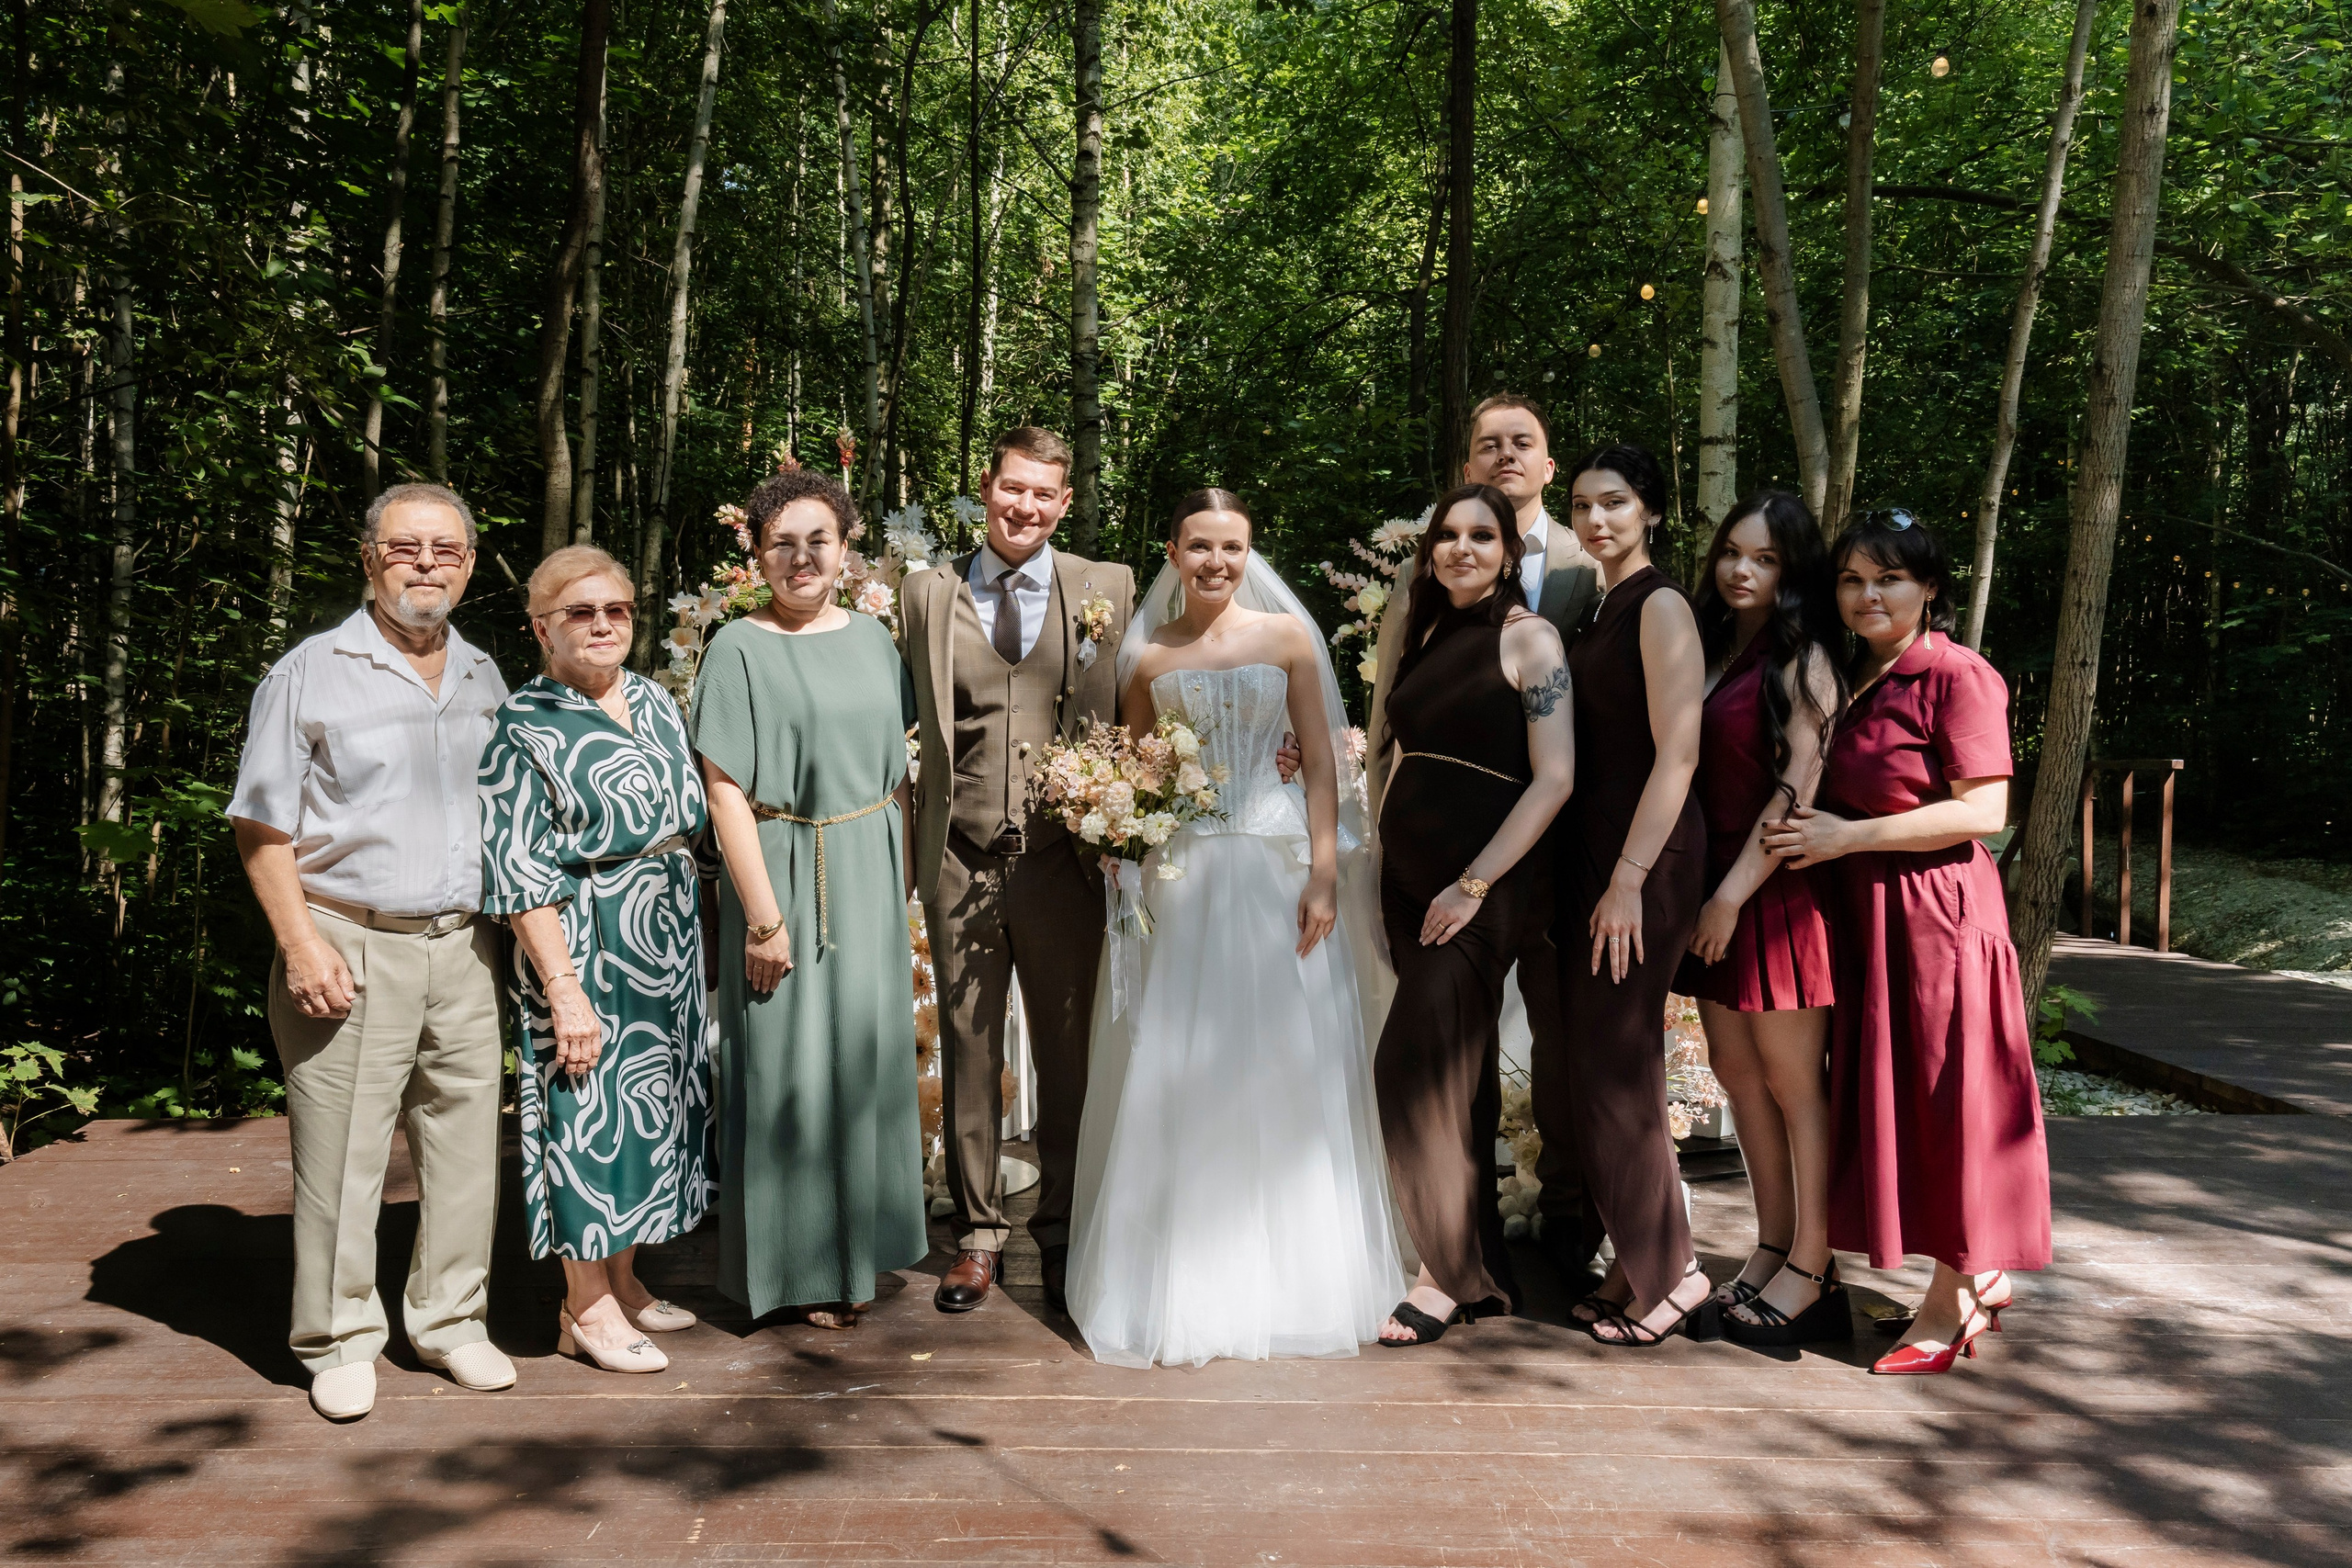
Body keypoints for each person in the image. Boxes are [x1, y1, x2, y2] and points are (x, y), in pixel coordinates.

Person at [1066, 490, 1407, 1368]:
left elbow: (1320, 762)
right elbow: (1139, 769)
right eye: (1200, 546)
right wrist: (1118, 838)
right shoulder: (1146, 656)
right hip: (1182, 878)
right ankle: (1180, 1281)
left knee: (1283, 1055)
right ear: (1173, 552)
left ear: (1250, 552)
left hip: (1271, 871)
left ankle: (1298, 1283)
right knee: (1178, 1060)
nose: (1217, 561)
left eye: (1232, 546)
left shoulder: (1286, 638)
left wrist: (1324, 872)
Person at [227, 481, 514, 1421]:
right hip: (347, 939)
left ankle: (451, 1321)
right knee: (342, 1156)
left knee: (465, 1152)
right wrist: (300, 944)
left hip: (465, 947)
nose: (425, 563)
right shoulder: (309, 672)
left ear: (469, 565)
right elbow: (261, 826)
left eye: (445, 549)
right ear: (368, 559)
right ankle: (340, 1338)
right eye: (404, 547)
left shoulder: (485, 675)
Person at [1762, 510, 2049, 1375]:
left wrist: (1847, 837)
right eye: (1852, 580)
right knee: (1904, 1103)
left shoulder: (1957, 674)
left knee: (1950, 1102)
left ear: (1929, 587)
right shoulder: (1847, 674)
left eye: (1889, 578)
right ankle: (1979, 1269)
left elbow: (1985, 810)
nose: (1869, 595)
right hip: (1868, 917)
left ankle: (1951, 1300)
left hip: (1938, 917)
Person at [1365, 393, 1607, 1290]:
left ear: (1508, 551)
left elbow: (1557, 773)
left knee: (1421, 1061)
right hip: (1408, 874)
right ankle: (1472, 1264)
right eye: (1448, 536)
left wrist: (1473, 883)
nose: (1461, 549)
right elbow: (1389, 730)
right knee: (1448, 1068)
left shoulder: (1539, 626)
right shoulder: (1425, 620)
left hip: (1492, 875)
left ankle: (1491, 1258)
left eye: (1481, 538)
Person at [897, 428, 1136, 1316]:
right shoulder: (927, 592)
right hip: (958, 857)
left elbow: (1143, 703)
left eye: (1043, 494)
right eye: (1012, 488)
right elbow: (895, 716)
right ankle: (979, 1234)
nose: (1024, 506)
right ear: (987, 486)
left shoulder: (1106, 587)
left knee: (1068, 1055)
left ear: (1064, 503)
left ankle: (1064, 1230)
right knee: (970, 1049)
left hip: (1062, 860)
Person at [694, 469, 926, 1329]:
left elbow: (898, 776)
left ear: (844, 549)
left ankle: (857, 1258)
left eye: (817, 540)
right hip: (783, 869)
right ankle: (793, 1269)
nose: (801, 558)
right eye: (781, 542)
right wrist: (764, 918)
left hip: (869, 873)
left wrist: (900, 886)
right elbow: (723, 790)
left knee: (861, 1064)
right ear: (757, 553)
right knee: (787, 1068)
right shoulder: (736, 647)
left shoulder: (875, 639)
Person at [479, 544, 715, 1374]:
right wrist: (563, 987)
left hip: (667, 940)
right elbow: (516, 871)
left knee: (649, 1114)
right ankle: (583, 1304)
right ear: (541, 627)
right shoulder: (521, 725)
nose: (603, 624)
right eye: (581, 612)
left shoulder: (651, 699)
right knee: (586, 1116)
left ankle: (625, 1278)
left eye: (616, 609)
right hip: (583, 940)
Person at [1672, 493, 1849, 1348]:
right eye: (1732, 553)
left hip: (1771, 894)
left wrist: (1730, 896)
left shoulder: (1807, 660)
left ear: (1794, 571)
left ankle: (1816, 1265)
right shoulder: (1711, 647)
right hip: (1712, 888)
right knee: (1738, 1075)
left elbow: (1793, 797)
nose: (1741, 571)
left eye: (1766, 559)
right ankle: (1774, 1242)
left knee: (1793, 1083)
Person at [1555, 444, 1713, 1348]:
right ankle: (1635, 1260)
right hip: (1598, 856)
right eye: (1582, 505)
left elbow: (1679, 754)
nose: (1596, 520)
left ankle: (1673, 1275)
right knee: (1609, 1070)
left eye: (1614, 502)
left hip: (1643, 863)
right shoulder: (1599, 606)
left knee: (1616, 1068)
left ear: (1649, 510)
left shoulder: (1660, 606)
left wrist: (1627, 879)